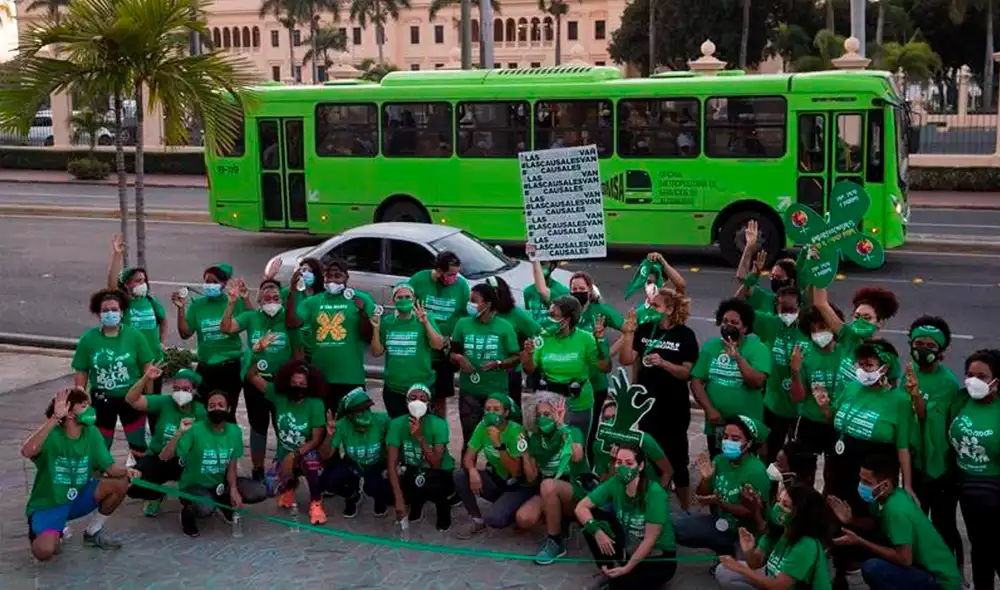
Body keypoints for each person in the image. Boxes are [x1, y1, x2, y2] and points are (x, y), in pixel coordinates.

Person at [21, 389, 134, 561]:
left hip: (76, 498)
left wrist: (129, 471)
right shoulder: (52, 435)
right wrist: (54, 419)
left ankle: (93, 532)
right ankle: (43, 530)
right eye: (84, 405)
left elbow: (110, 469)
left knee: (120, 483)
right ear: (70, 413)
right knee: (44, 552)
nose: (90, 409)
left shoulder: (92, 433)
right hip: (49, 503)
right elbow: (27, 451)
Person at [829, 453, 962, 590]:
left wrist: (859, 541)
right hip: (923, 570)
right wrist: (851, 520)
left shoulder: (896, 510)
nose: (861, 486)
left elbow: (905, 560)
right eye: (861, 480)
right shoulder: (883, 498)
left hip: (940, 582)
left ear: (885, 485)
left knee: (873, 568)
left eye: (867, 482)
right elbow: (876, 523)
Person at [817, 340, 917, 522]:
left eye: (869, 365)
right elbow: (835, 421)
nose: (863, 370)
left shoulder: (899, 401)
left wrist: (907, 485)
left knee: (865, 522)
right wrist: (825, 408)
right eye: (860, 365)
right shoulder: (851, 388)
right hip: (839, 468)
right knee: (834, 519)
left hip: (870, 477)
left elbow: (902, 447)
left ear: (884, 369)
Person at [619, 284, 698, 510]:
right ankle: (648, 503)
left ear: (670, 309)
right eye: (650, 304)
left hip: (674, 406)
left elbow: (686, 372)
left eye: (656, 305)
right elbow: (625, 359)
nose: (650, 308)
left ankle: (685, 508)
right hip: (647, 405)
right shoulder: (644, 330)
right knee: (649, 455)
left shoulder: (685, 335)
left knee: (678, 458)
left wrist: (664, 363)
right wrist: (629, 332)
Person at [159, 390, 267, 537]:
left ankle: (224, 502)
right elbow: (164, 456)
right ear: (207, 409)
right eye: (212, 405)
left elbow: (232, 463)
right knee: (205, 509)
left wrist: (234, 489)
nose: (216, 408)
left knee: (259, 491)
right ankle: (187, 513)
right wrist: (179, 432)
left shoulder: (234, 431)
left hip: (219, 484)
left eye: (221, 405)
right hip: (193, 486)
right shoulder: (195, 429)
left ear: (229, 409)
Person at [222, 278, 298, 480]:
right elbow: (226, 327)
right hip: (254, 379)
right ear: (259, 301)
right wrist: (231, 304)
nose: (271, 301)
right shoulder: (251, 317)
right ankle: (258, 469)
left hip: (282, 382)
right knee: (258, 426)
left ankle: (283, 466)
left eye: (275, 298)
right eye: (266, 298)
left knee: (283, 424)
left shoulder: (288, 320)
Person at [574, 445, 678, 589]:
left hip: (658, 554)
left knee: (621, 585)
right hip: (630, 543)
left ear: (640, 466)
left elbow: (650, 540)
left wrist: (626, 568)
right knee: (593, 520)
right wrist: (597, 532)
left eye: (629, 463)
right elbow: (581, 507)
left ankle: (620, 573)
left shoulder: (655, 493)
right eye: (619, 462)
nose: (622, 467)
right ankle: (608, 567)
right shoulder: (615, 482)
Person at [907, 317, 964, 573]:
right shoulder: (909, 375)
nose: (923, 349)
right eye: (918, 343)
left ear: (941, 350)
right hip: (915, 463)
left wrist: (916, 394)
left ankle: (953, 571)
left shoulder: (948, 382)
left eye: (930, 345)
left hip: (940, 467)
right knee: (917, 521)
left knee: (944, 525)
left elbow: (927, 417)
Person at [286, 259, 375, 414]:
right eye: (329, 276)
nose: (333, 280)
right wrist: (293, 291)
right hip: (320, 377)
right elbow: (293, 323)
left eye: (337, 276)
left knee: (351, 427)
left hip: (351, 378)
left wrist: (361, 313)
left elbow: (368, 337)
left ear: (346, 278)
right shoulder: (313, 302)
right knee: (323, 428)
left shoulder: (361, 299)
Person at [72, 288, 154, 455]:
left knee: (138, 444)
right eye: (105, 310)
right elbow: (81, 370)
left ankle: (141, 478)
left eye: (114, 310)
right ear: (98, 314)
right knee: (101, 445)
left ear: (122, 312)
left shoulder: (135, 336)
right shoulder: (88, 339)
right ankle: (100, 478)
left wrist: (148, 399)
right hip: (101, 399)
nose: (110, 313)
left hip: (131, 398)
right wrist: (80, 394)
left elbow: (148, 369)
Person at [675, 416, 771, 557]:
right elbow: (701, 495)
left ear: (749, 443)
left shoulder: (756, 471)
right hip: (722, 522)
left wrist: (721, 503)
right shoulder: (720, 460)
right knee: (680, 528)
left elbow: (753, 513)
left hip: (747, 532)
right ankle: (723, 550)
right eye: (725, 436)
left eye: (735, 439)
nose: (728, 442)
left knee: (740, 572)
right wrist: (706, 479)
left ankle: (732, 554)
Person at [245, 360, 326, 524]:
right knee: (268, 489)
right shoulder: (278, 396)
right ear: (286, 381)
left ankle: (316, 502)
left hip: (305, 453)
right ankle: (289, 486)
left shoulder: (316, 404)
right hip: (283, 455)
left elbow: (316, 439)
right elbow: (251, 375)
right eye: (294, 382)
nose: (297, 386)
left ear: (309, 385)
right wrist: (257, 354)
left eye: (302, 383)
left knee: (311, 462)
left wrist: (294, 455)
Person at [515, 392, 592, 565]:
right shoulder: (535, 438)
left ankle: (555, 541)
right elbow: (532, 477)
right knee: (524, 518)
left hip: (575, 489)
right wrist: (525, 454)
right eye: (539, 415)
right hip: (548, 491)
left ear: (558, 414)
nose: (542, 418)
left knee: (548, 485)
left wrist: (561, 425)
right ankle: (558, 520)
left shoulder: (572, 431)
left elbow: (577, 456)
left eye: (547, 414)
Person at [691, 298, 772, 457]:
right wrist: (710, 410)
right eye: (725, 321)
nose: (728, 326)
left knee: (745, 463)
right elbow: (696, 381)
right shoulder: (711, 346)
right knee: (720, 459)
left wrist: (738, 358)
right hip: (718, 424)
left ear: (745, 328)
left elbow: (757, 382)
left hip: (747, 425)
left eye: (734, 322)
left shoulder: (758, 348)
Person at [522, 296, 609, 439]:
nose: (547, 319)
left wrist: (600, 342)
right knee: (552, 448)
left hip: (579, 403)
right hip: (550, 404)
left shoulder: (586, 338)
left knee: (578, 448)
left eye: (553, 315)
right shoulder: (542, 338)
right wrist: (528, 355)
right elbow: (529, 369)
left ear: (567, 320)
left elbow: (604, 368)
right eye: (548, 314)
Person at [715, 482, 832, 589]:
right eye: (778, 501)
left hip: (780, 586)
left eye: (785, 505)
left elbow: (779, 586)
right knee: (724, 571)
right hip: (772, 578)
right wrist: (748, 550)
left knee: (735, 569)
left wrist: (739, 568)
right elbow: (755, 563)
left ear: (801, 515)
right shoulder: (779, 529)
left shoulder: (806, 545)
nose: (777, 507)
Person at [124, 365, 207, 516]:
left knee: (199, 505)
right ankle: (155, 495)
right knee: (135, 485)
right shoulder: (165, 402)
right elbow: (131, 400)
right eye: (176, 388)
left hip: (186, 461)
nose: (180, 393)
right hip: (158, 457)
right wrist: (146, 378)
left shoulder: (200, 411)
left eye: (185, 388)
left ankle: (187, 497)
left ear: (194, 390)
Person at [949, 349, 1000, 589]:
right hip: (968, 491)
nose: (974, 381)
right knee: (979, 552)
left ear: (996, 381)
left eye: (982, 376)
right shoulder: (962, 399)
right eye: (970, 374)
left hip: (995, 492)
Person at [173, 264, 250, 419]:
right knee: (203, 411)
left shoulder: (233, 302)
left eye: (215, 282)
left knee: (227, 412)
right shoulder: (197, 305)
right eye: (207, 281)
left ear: (224, 284)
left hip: (230, 367)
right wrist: (180, 309)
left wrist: (245, 298)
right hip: (206, 367)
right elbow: (185, 333)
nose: (210, 285)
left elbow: (252, 319)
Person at [454, 393, 535, 538]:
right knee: (460, 475)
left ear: (506, 412)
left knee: (495, 519)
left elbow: (516, 472)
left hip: (518, 485)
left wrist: (498, 444)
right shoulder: (483, 426)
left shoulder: (516, 431)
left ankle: (517, 510)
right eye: (488, 409)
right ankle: (477, 520)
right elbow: (468, 456)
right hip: (498, 478)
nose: (491, 413)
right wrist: (472, 471)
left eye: (496, 409)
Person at [451, 283, 521, 448]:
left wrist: (499, 363)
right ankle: (468, 471)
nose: (471, 305)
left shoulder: (504, 326)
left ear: (488, 303)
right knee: (469, 440)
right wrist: (459, 358)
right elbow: (452, 352)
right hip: (469, 391)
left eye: (475, 301)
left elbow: (516, 357)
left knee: (498, 439)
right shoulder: (462, 323)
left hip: (496, 393)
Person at [789, 303, 856, 472]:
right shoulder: (804, 354)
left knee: (834, 475)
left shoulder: (847, 351)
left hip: (838, 424)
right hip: (810, 423)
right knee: (802, 472)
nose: (818, 333)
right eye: (813, 329)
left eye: (822, 327)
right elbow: (798, 398)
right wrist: (795, 371)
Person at [107, 233, 168, 406]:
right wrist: (117, 255)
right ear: (127, 284)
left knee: (153, 402)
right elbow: (111, 286)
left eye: (144, 280)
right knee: (134, 402)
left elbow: (163, 320)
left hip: (154, 359)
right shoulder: (123, 304)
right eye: (137, 281)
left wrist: (162, 342)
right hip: (132, 362)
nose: (142, 284)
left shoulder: (150, 301)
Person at [386, 384, 456, 531]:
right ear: (406, 402)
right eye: (413, 398)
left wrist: (420, 438)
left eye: (422, 399)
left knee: (433, 484)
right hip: (412, 468)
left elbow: (436, 463)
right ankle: (415, 503)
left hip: (438, 471)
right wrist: (398, 499)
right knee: (388, 482)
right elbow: (392, 464)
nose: (417, 402)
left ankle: (443, 511)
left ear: (428, 404)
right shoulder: (396, 424)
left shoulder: (439, 424)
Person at [408, 251, 470, 416]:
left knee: (440, 399)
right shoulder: (418, 280)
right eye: (451, 274)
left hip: (444, 353)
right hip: (421, 351)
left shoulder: (462, 286)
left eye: (457, 273)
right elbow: (407, 307)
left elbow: (464, 316)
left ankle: (439, 434)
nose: (454, 278)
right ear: (439, 271)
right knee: (417, 397)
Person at [569, 272, 624, 456]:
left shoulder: (599, 311)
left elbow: (630, 330)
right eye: (574, 289)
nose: (577, 292)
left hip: (596, 383)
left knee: (591, 431)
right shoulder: (568, 312)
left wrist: (609, 354)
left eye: (582, 289)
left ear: (590, 290)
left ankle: (590, 467)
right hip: (572, 381)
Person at [371, 282, 444, 418]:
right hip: (394, 388)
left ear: (414, 299)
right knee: (397, 428)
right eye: (399, 297)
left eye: (407, 297)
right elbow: (376, 352)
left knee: (420, 430)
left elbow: (438, 345)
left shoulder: (425, 318)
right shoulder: (387, 322)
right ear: (393, 300)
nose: (404, 300)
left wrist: (426, 323)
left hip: (420, 389)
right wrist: (375, 328)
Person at [753, 286, 808, 464]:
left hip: (800, 408)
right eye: (783, 309)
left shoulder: (808, 329)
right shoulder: (770, 323)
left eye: (791, 309)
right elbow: (738, 307)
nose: (786, 313)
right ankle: (769, 490)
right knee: (769, 455)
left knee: (800, 459)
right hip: (773, 406)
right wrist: (750, 279)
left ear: (800, 307)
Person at [318, 388, 393, 518]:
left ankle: (379, 498)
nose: (364, 414)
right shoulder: (341, 425)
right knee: (328, 481)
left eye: (366, 409)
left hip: (376, 464)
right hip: (352, 464)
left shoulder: (383, 420)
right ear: (350, 415)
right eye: (358, 411)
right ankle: (352, 495)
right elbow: (325, 456)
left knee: (380, 487)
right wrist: (330, 436)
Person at [591, 400, 672, 489]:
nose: (611, 421)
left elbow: (667, 470)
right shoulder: (598, 446)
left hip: (646, 490)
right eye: (606, 418)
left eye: (615, 417)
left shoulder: (643, 440)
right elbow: (604, 484)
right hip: (619, 494)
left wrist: (659, 494)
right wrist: (614, 463)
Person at [492, 276, 542, 406]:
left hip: (510, 370)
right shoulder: (485, 313)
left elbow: (537, 333)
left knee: (511, 408)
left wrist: (526, 353)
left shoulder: (516, 314)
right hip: (488, 370)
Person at [734, 219, 799, 313]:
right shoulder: (765, 298)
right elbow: (742, 278)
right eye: (772, 276)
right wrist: (749, 247)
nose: (774, 280)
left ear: (791, 280)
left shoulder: (802, 302)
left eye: (779, 277)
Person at [524, 245, 570, 331]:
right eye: (539, 263)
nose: (540, 267)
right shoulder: (528, 291)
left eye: (543, 263)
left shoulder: (562, 291)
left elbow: (542, 291)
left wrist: (535, 258)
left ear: (552, 266)